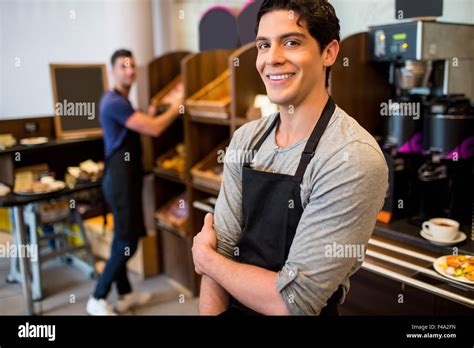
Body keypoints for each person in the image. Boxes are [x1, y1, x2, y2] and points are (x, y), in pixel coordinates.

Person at [192, 0, 388, 315]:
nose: (272, 58)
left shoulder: (351, 157)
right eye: (263, 45)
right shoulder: (246, 139)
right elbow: (224, 247)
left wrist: (208, 262)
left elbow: (294, 301)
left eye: (292, 42)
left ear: (329, 52)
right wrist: (215, 264)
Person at [86, 49, 182, 315]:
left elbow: (139, 122)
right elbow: (152, 128)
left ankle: (125, 295)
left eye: (132, 66)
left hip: (125, 178)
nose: (130, 71)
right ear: (113, 71)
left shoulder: (120, 99)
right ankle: (97, 297)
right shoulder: (114, 102)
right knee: (128, 242)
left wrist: (149, 112)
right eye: (123, 67)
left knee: (122, 238)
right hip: (120, 179)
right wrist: (177, 106)